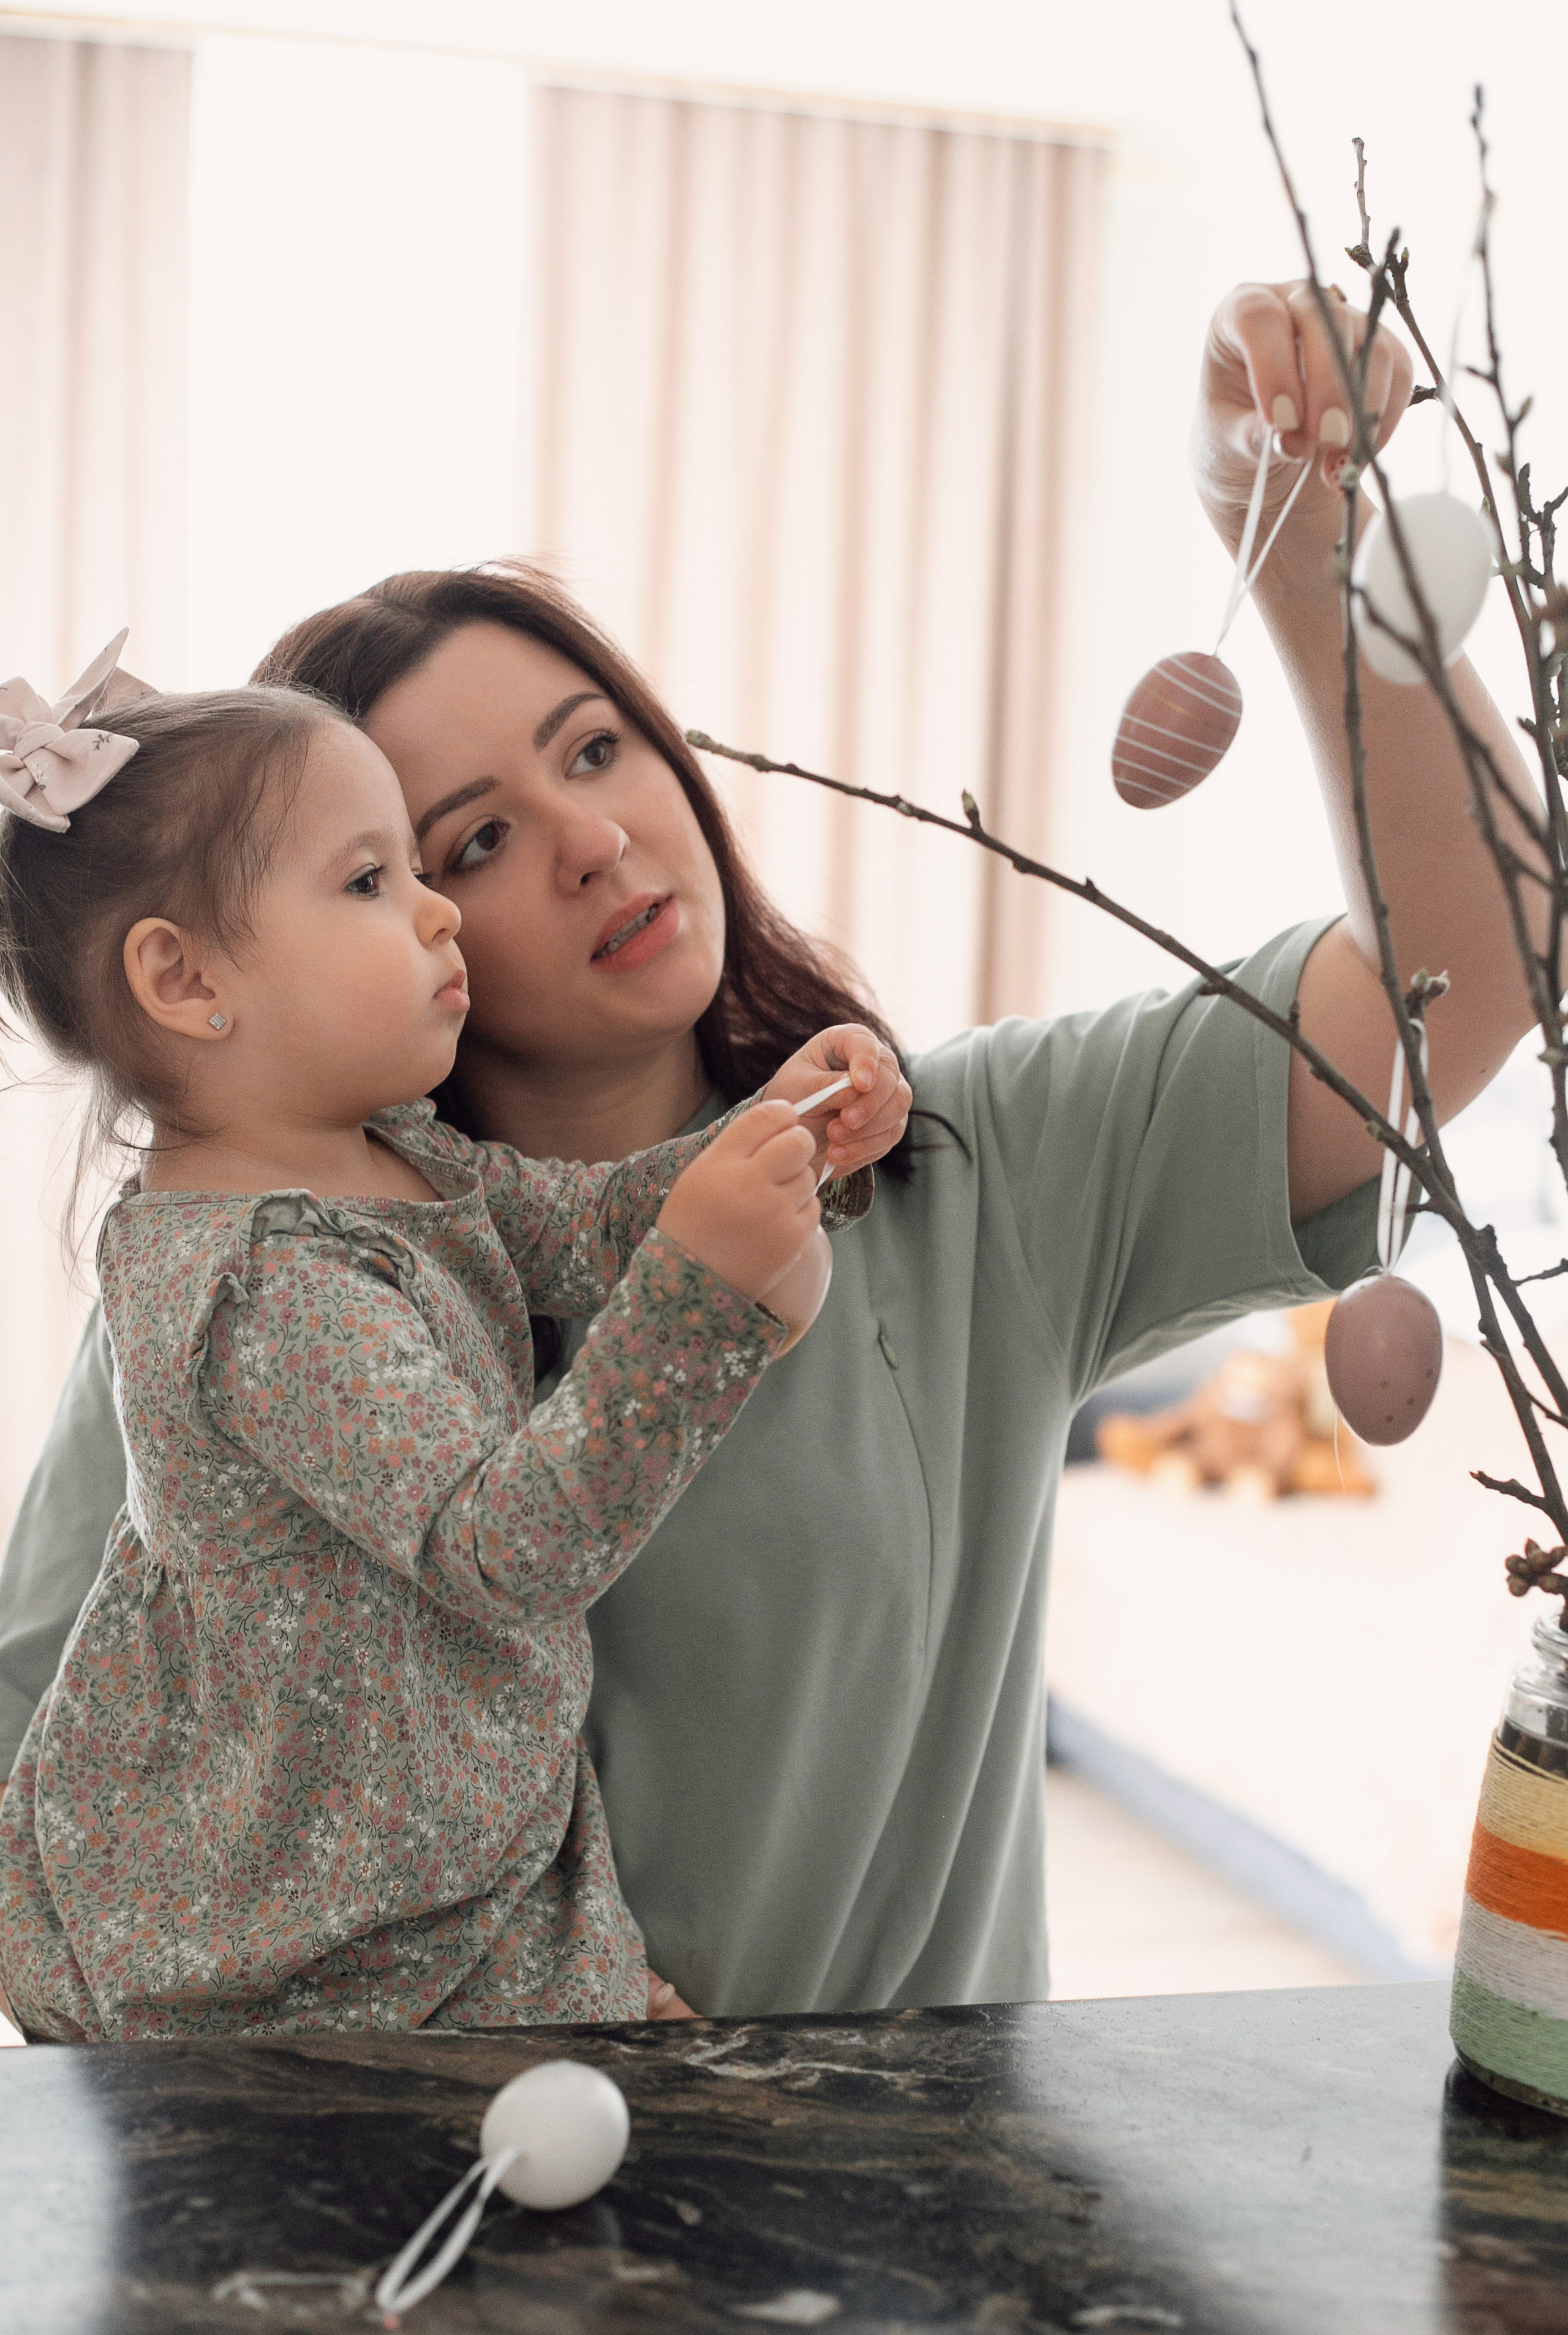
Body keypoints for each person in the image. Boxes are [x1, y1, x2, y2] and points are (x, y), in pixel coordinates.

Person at [0, 281, 1545, 2019]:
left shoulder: (973, 1170)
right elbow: (34, 1838)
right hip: (405, 2239)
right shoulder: (264, 1273)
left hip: (897, 2236)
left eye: (597, 748)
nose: (591, 839)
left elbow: (1467, 970)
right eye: (466, 842)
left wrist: (1283, 520)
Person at [0, 670, 907, 2040]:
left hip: (447, 1831)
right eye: (369, 881)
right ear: (185, 980)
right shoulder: (263, 1285)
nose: (436, 911)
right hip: (295, 1914)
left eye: (421, 870)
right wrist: (700, 1293)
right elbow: (511, 1548)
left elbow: (589, 1221)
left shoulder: (395, 1156)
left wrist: (764, 1138)